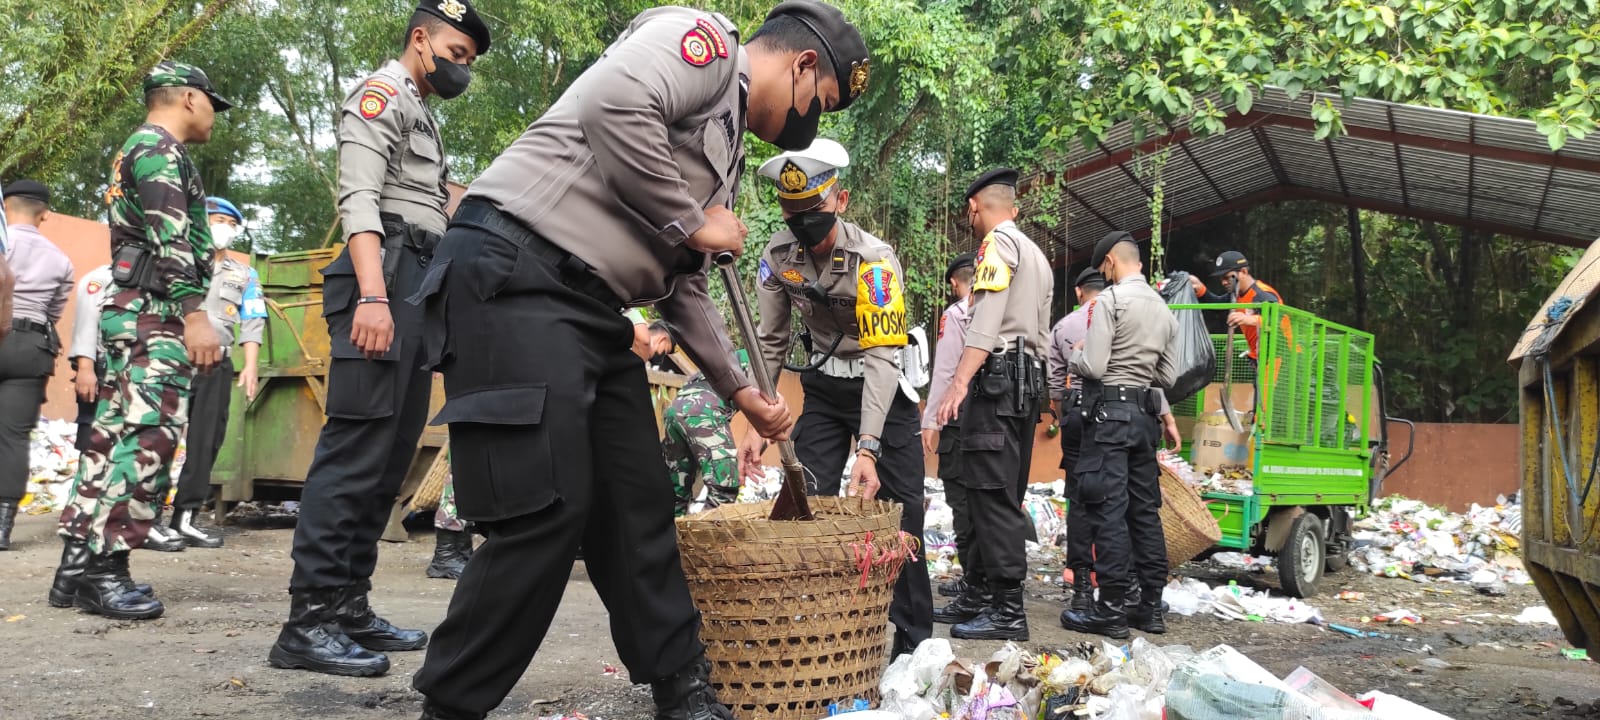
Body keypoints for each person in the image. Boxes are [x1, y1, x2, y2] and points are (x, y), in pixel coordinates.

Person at [408, 2, 865, 717]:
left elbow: (682, 285)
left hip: (592, 306)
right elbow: (613, 103)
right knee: (544, 506)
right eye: (823, 102)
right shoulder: (708, 47)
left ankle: (680, 684)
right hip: (514, 269)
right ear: (804, 65)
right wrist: (693, 220)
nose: (814, 118)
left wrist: (740, 390)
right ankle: (452, 703)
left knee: (637, 499)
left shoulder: (725, 150)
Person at [268, 0, 491, 678]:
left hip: (415, 283)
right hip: (383, 279)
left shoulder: (421, 111)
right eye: (456, 53)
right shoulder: (379, 93)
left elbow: (433, 202)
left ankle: (348, 607)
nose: (462, 68)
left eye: (470, 62)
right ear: (420, 39)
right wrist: (371, 295)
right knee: (355, 451)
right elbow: (359, 199)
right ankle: (307, 623)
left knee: (389, 456)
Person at [737, 138, 932, 659]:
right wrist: (758, 419)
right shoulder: (778, 257)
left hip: (884, 392)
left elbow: (881, 356)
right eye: (792, 212)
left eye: (815, 211)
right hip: (823, 389)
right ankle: (824, 635)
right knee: (811, 502)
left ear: (840, 201)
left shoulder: (875, 260)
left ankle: (912, 649)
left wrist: (867, 449)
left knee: (900, 514)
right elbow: (772, 341)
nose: (804, 224)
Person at [53, 60, 230, 620]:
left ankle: (76, 569)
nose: (213, 118)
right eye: (211, 104)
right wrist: (194, 313)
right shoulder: (158, 149)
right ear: (188, 99)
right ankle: (107, 573)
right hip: (155, 313)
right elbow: (171, 238)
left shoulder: (138, 146)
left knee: (110, 437)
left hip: (132, 312)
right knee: (149, 436)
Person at [933, 167, 1052, 642]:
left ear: (974, 207)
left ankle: (1006, 610)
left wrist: (960, 381)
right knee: (1002, 492)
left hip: (997, 383)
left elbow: (987, 319)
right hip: (1024, 386)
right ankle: (984, 596)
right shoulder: (1036, 253)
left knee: (990, 495)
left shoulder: (996, 247)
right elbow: (1040, 334)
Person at [1059, 235, 1179, 640]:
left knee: (1107, 508)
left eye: (1104, 268)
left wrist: (1076, 354)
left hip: (1108, 416)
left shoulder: (1110, 302)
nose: (1104, 274)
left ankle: (1109, 608)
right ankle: (1149, 606)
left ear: (1110, 261)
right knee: (1144, 512)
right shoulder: (1164, 310)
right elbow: (1168, 376)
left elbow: (1092, 364)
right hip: (1145, 418)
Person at [167, 196, 265, 549]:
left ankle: (186, 516)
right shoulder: (178, 262)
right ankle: (144, 516)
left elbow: (253, 318)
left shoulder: (245, 273)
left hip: (217, 362)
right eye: (215, 219)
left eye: (228, 222)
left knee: (206, 440)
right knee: (159, 436)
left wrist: (250, 365)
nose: (221, 227)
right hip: (172, 357)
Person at [0, 180, 74, 550]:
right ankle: (1, 528)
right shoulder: (60, 259)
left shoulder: (2, 243)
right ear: (44, 213)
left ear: (5, 206)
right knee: (13, 437)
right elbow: (55, 311)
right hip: (31, 345)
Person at [926, 252, 983, 611]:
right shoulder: (1001, 311)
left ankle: (973, 583)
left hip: (960, 421)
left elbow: (946, 373)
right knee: (987, 502)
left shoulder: (957, 314)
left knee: (962, 504)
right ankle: (985, 581)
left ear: (954, 283)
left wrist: (930, 422)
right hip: (996, 421)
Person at [1188, 250, 1285, 409]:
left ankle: (1259, 429)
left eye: (1227, 277)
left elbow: (1277, 318)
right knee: (1259, 398)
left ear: (1244, 272)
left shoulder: (1262, 294)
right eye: (1221, 278)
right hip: (1261, 355)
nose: (1224, 282)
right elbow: (1218, 305)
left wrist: (1251, 319)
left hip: (1280, 356)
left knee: (1265, 404)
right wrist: (1200, 289)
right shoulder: (1236, 295)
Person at [663, 365, 741, 518]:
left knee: (676, 491)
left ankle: (669, 537)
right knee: (723, 490)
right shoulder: (761, 363)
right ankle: (705, 539)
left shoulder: (727, 356)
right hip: (703, 409)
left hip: (675, 408)